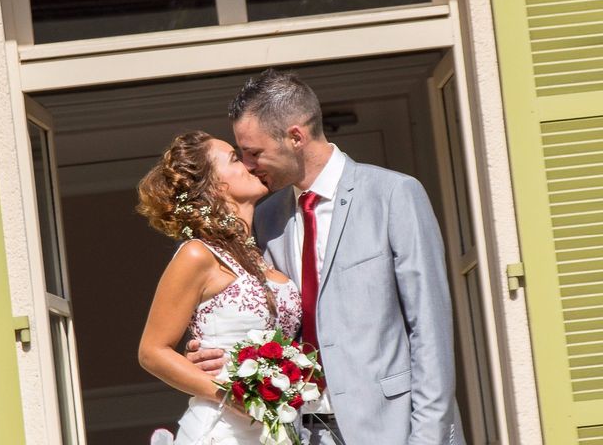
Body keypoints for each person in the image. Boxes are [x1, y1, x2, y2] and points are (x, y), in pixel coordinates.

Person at [187, 69, 466, 444]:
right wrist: (215, 353)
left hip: (394, 429)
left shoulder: (394, 195)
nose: (249, 165)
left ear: (296, 137)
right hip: (302, 430)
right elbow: (262, 317)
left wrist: (428, 439)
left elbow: (429, 329)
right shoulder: (267, 219)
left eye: (254, 152)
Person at [136, 131, 302, 444]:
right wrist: (231, 396)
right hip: (223, 430)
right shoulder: (198, 254)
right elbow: (152, 352)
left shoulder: (265, 253)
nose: (250, 164)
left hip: (277, 429)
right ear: (214, 185)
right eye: (235, 158)